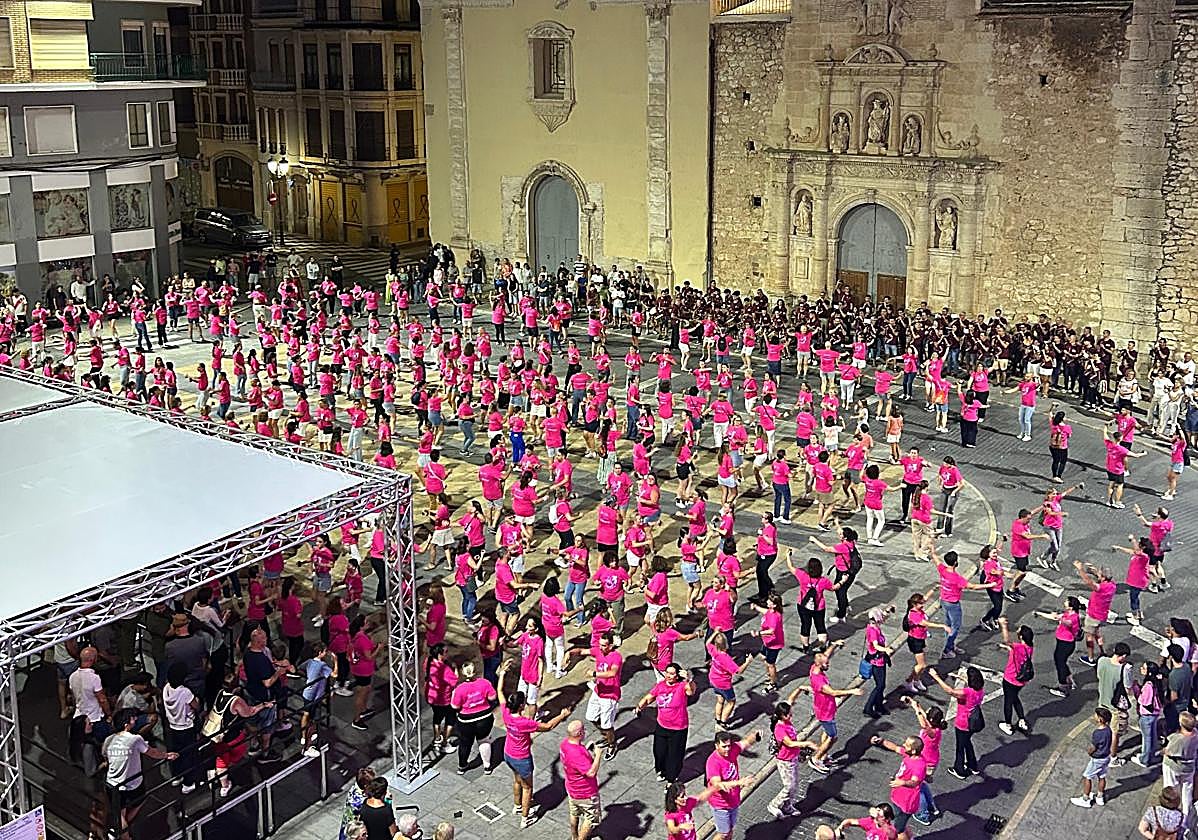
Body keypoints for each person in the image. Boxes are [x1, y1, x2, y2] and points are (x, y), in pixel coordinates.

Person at [501, 688, 572, 828]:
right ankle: (525, 819)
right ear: (521, 706)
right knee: (527, 788)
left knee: (517, 780)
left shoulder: (505, 712)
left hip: (508, 754)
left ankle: (517, 806)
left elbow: (499, 692)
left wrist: (502, 675)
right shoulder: (525, 723)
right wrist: (562, 715)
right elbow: (548, 726)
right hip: (522, 759)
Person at [103, 708, 178, 840]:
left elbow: (105, 756)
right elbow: (152, 753)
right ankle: (125, 835)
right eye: (132, 718)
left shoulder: (108, 739)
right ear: (126, 724)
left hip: (112, 783)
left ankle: (119, 828)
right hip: (132, 783)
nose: (135, 719)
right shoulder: (135, 739)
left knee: (120, 812)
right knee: (139, 801)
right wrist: (167, 755)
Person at [635, 661, 696, 783]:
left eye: (672, 674)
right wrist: (640, 706)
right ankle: (661, 770)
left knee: (674, 755)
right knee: (659, 751)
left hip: (678, 728)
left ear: (677, 675)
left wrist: (689, 679)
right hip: (662, 726)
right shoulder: (661, 685)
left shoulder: (682, 686)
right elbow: (649, 697)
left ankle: (671, 779)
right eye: (667, 673)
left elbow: (691, 691)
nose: (668, 675)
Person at [927, 665, 985, 780]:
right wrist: (961, 678)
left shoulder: (967, 692)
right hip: (973, 723)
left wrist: (936, 677)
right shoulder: (979, 690)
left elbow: (950, 691)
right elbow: (970, 685)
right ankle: (973, 765)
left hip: (963, 723)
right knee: (967, 743)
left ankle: (959, 769)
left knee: (960, 747)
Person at [706, 728, 763, 840]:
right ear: (716, 746)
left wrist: (755, 736)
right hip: (720, 804)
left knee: (730, 829)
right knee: (723, 833)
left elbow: (746, 742)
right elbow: (718, 784)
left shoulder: (733, 749)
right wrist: (740, 782)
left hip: (734, 800)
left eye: (729, 746)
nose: (727, 749)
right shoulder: (712, 762)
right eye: (724, 746)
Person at [766, 700, 818, 819]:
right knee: (789, 786)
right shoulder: (779, 728)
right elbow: (789, 743)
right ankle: (774, 804)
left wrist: (800, 689)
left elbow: (791, 699)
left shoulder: (787, 722)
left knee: (794, 785)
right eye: (788, 714)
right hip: (785, 761)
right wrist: (807, 743)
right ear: (781, 715)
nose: (791, 715)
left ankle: (787, 806)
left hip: (792, 757)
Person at [449, 660, 497, 774]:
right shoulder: (484, 683)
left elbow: (455, 706)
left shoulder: (460, 689)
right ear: (475, 672)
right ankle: (487, 766)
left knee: (465, 743)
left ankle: (462, 766)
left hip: (466, 720)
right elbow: (492, 697)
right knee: (484, 740)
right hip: (485, 717)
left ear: (463, 673)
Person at [560, 719, 603, 840]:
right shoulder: (577, 753)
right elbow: (591, 772)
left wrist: (586, 750)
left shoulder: (564, 745)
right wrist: (598, 755)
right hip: (585, 793)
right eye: (583, 729)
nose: (585, 731)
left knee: (574, 813)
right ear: (579, 734)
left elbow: (575, 762)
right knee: (590, 819)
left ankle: (574, 836)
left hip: (572, 790)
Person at [996, 618, 1034, 735]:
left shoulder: (1019, 647)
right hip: (1021, 681)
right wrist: (1008, 648)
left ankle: (1008, 725)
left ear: (1021, 637)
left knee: (1008, 702)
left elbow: (1007, 640)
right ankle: (1021, 719)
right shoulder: (1029, 648)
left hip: (1010, 679)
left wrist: (1003, 626)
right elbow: (1016, 651)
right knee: (1015, 698)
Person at [1070, 707, 1114, 808]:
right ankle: (1100, 796)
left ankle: (1085, 799)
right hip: (1106, 757)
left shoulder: (1097, 733)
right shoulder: (1109, 730)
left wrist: (1089, 752)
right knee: (1102, 776)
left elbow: (1094, 747)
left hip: (1097, 759)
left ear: (1100, 719)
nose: (1094, 716)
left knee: (1087, 776)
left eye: (1096, 715)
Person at [1162, 713, 1197, 832]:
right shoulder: (1196, 734)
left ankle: (1172, 817)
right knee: (1187, 792)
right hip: (1189, 768)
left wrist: (1163, 751)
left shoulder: (1179, 739)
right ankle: (1185, 821)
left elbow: (1167, 751)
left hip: (1174, 767)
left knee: (1172, 789)